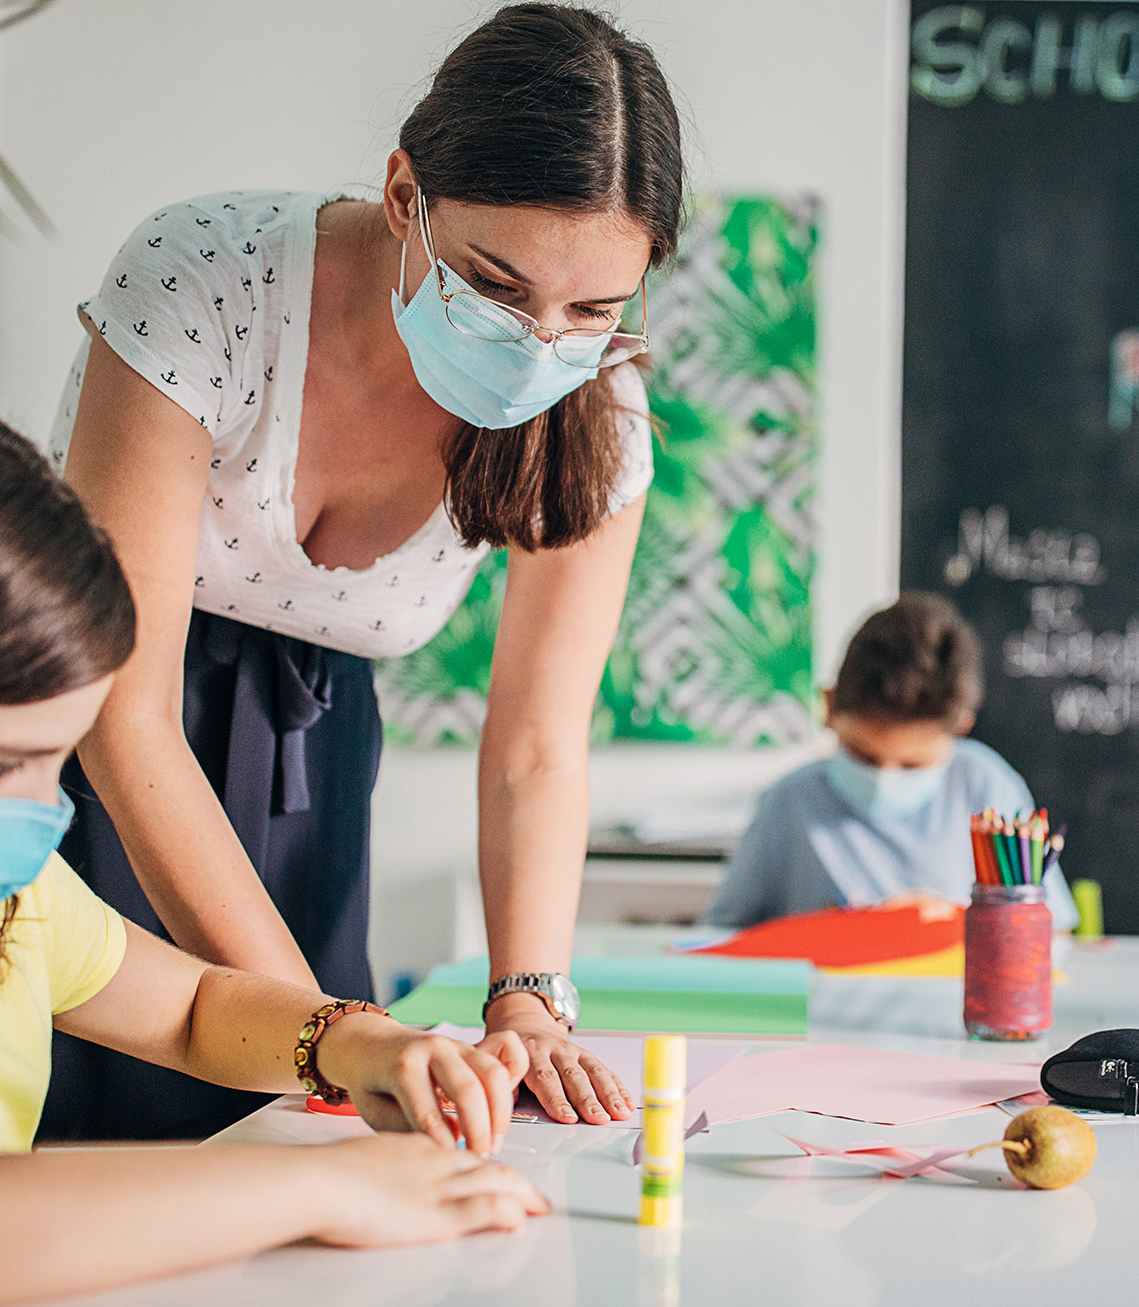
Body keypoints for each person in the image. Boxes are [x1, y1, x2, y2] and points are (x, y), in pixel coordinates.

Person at [0, 385, 548, 1307]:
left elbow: (190, 1008)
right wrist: (325, 1188)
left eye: (55, 759)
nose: (39, 809)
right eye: (0, 762)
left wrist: (358, 1042)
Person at [45, 3, 684, 1140]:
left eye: (593, 310)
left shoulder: (599, 412)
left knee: (306, 1150)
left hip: (315, 763)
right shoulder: (207, 279)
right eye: (495, 287)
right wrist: (339, 1040)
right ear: (405, 198)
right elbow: (127, 715)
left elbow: (538, 747)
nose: (543, 345)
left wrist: (528, 1001)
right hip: (85, 732)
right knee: (110, 1122)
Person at [706, 593, 1079, 929]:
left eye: (913, 765)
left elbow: (1052, 931)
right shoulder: (787, 803)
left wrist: (945, 918)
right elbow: (720, 936)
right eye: (864, 756)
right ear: (829, 708)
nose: (885, 778)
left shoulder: (986, 785)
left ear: (960, 728)